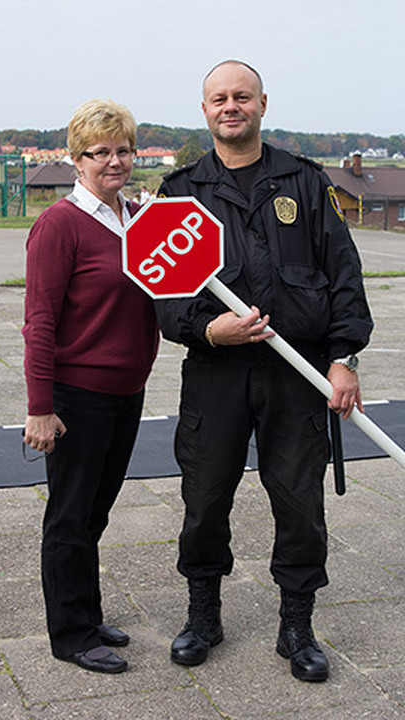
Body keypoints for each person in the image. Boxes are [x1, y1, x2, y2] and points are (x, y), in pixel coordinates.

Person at [155, 60, 373, 682]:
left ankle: (296, 627)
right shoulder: (180, 193)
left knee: (300, 502)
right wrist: (208, 331)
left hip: (296, 372)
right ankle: (203, 616)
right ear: (205, 111)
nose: (231, 106)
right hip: (216, 373)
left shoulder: (304, 182)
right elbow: (164, 296)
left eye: (242, 96)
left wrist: (343, 358)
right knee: (204, 500)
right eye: (219, 98)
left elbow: (343, 272)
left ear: (262, 104)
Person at [22, 99, 159, 674]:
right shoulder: (59, 224)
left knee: (95, 513)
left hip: (128, 392)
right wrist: (40, 407)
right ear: (76, 160)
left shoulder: (141, 219)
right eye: (99, 152)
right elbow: (39, 321)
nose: (114, 161)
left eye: (123, 150)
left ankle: (87, 612)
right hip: (78, 395)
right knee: (71, 517)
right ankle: (71, 635)